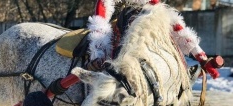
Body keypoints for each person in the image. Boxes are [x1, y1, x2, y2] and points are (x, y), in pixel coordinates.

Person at [86, 0, 223, 79]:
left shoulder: (151, 3)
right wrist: (99, 54)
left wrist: (201, 56)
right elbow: (100, 24)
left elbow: (176, 26)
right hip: (118, 29)